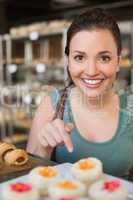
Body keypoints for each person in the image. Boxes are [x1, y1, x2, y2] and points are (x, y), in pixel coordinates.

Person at [27, 8, 133, 178]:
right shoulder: (51, 104)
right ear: (68, 61)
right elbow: (28, 181)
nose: (91, 71)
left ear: (118, 61)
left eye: (104, 58)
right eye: (79, 57)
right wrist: (44, 148)